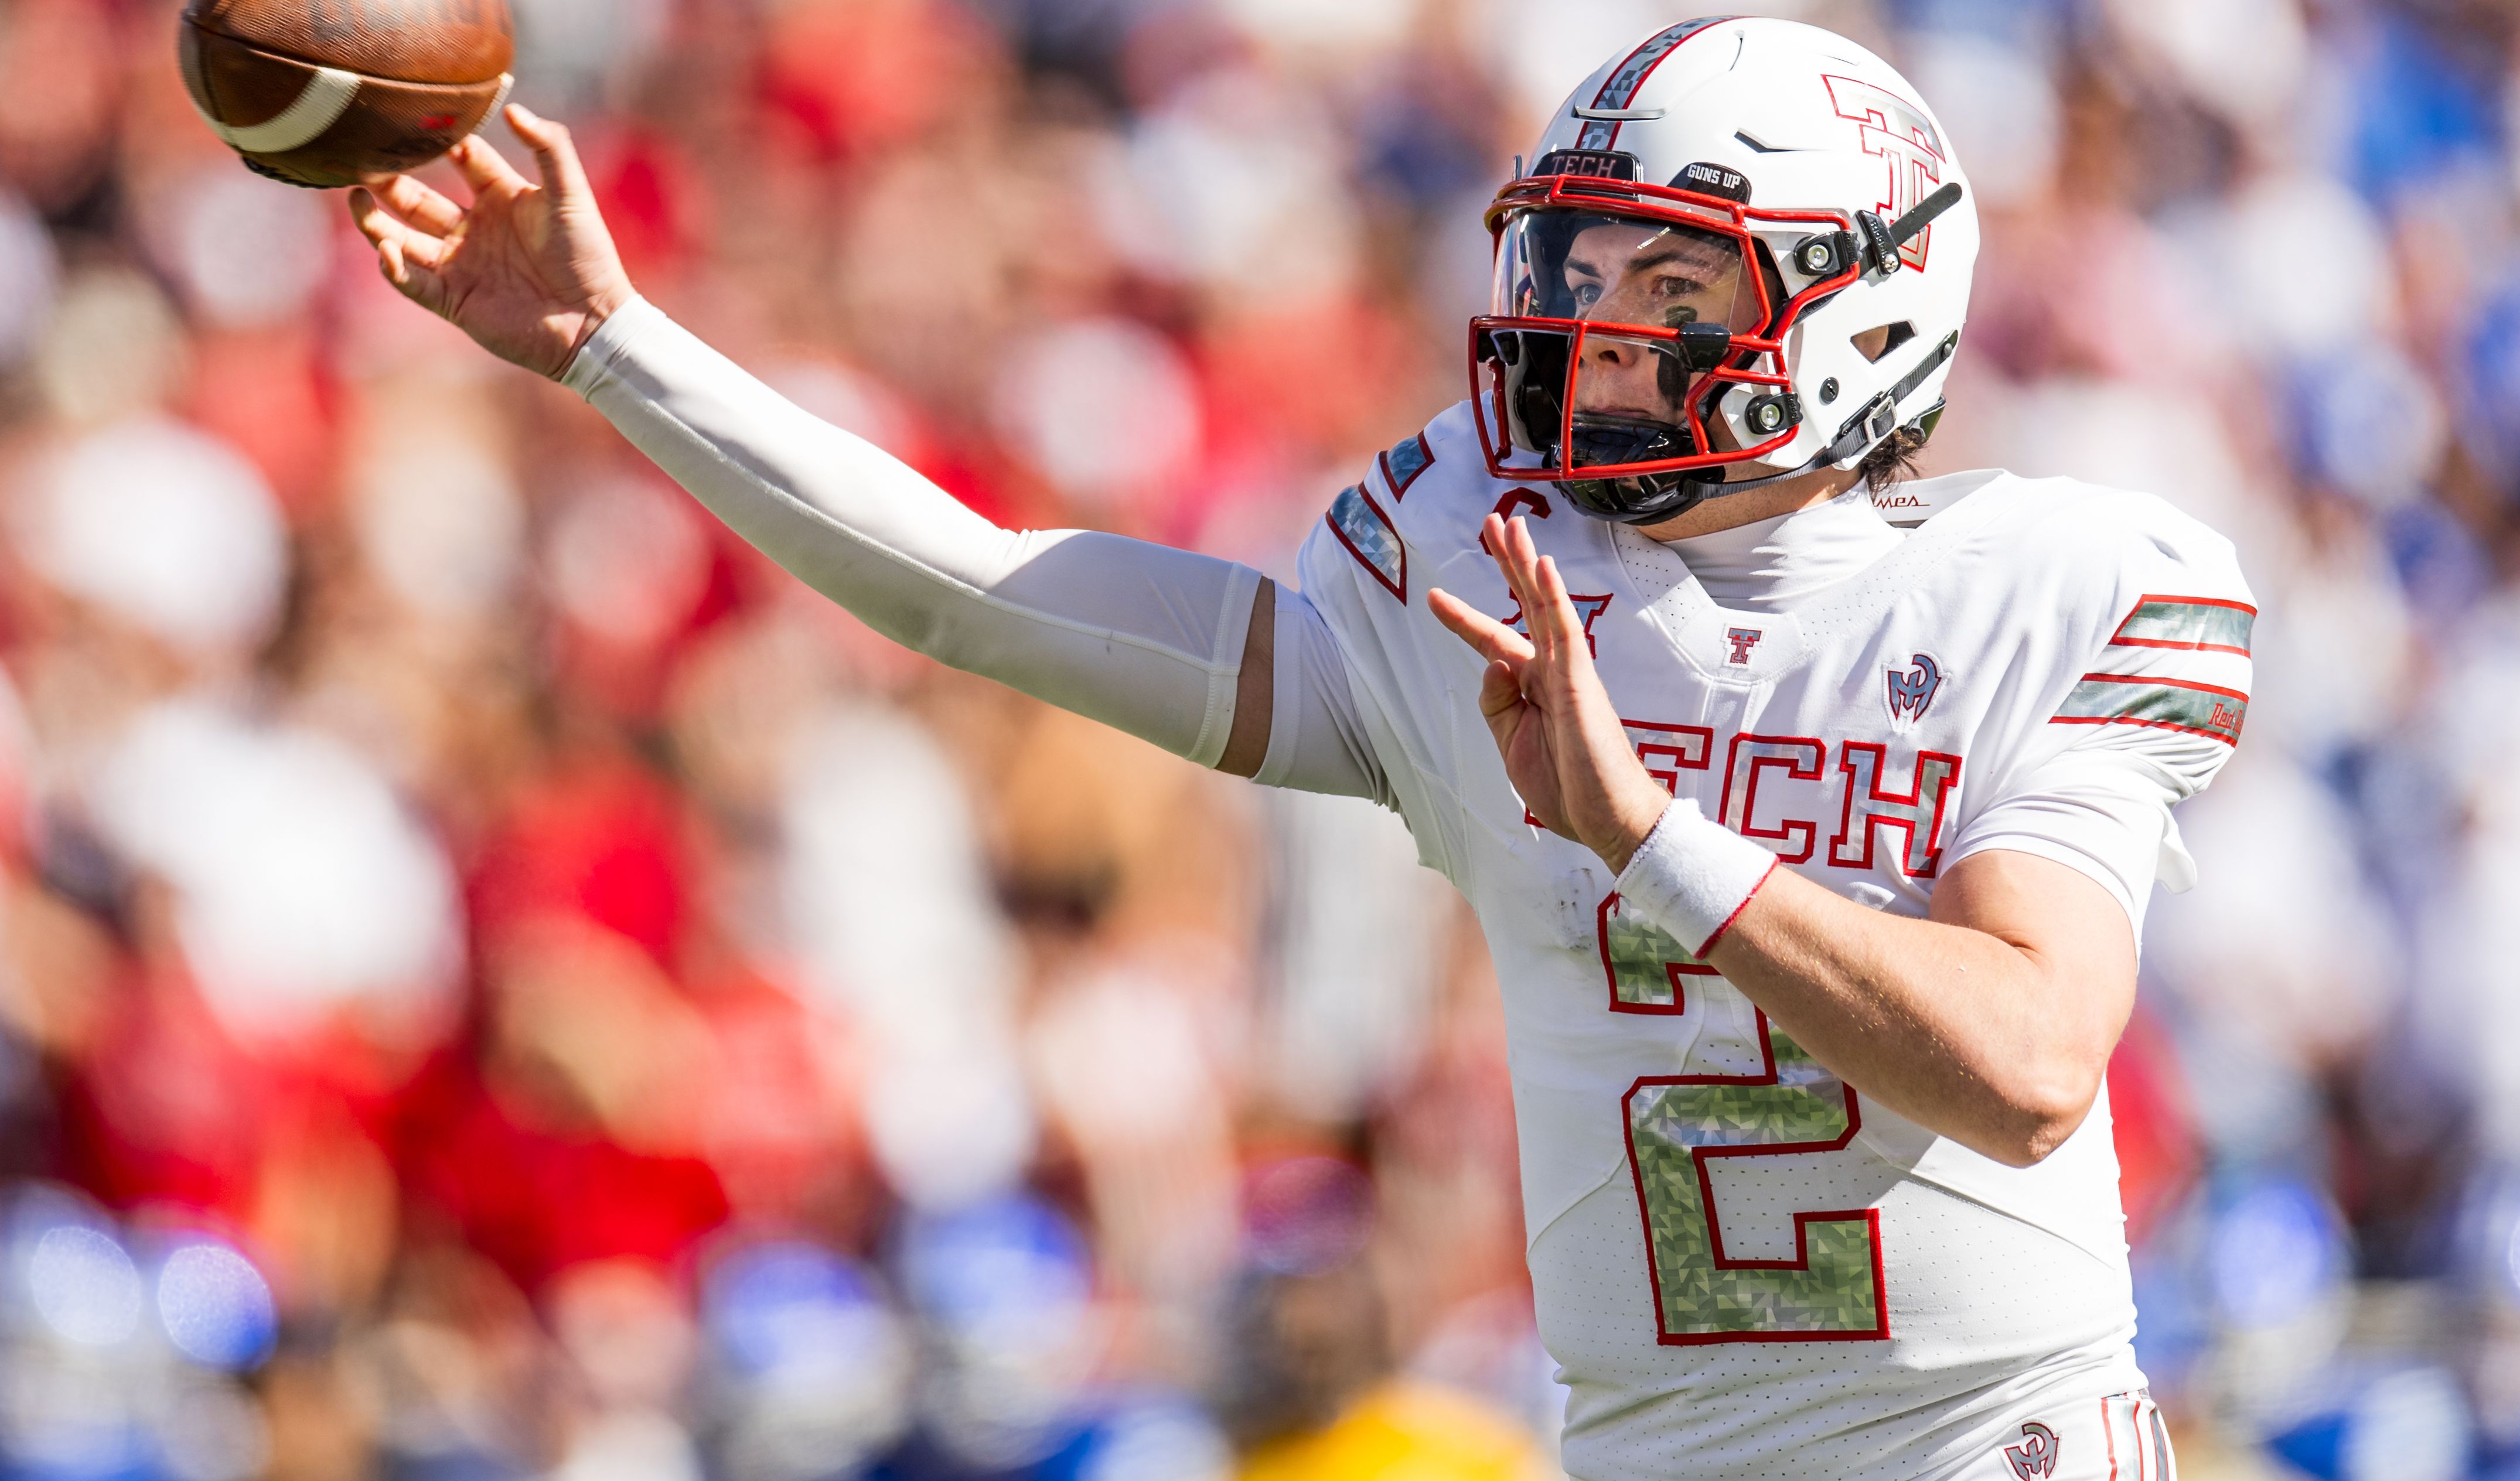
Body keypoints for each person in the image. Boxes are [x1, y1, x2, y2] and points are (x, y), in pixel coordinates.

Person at [349, 19, 2246, 1479]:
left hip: (1992, 1450)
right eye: (1579, 270)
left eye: (1672, 287)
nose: (1592, 334)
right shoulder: (1483, 563)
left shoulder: (2055, 584)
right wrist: (616, 345)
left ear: (1866, 302)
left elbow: (2028, 1066)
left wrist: (1646, 835)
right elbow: (986, 594)